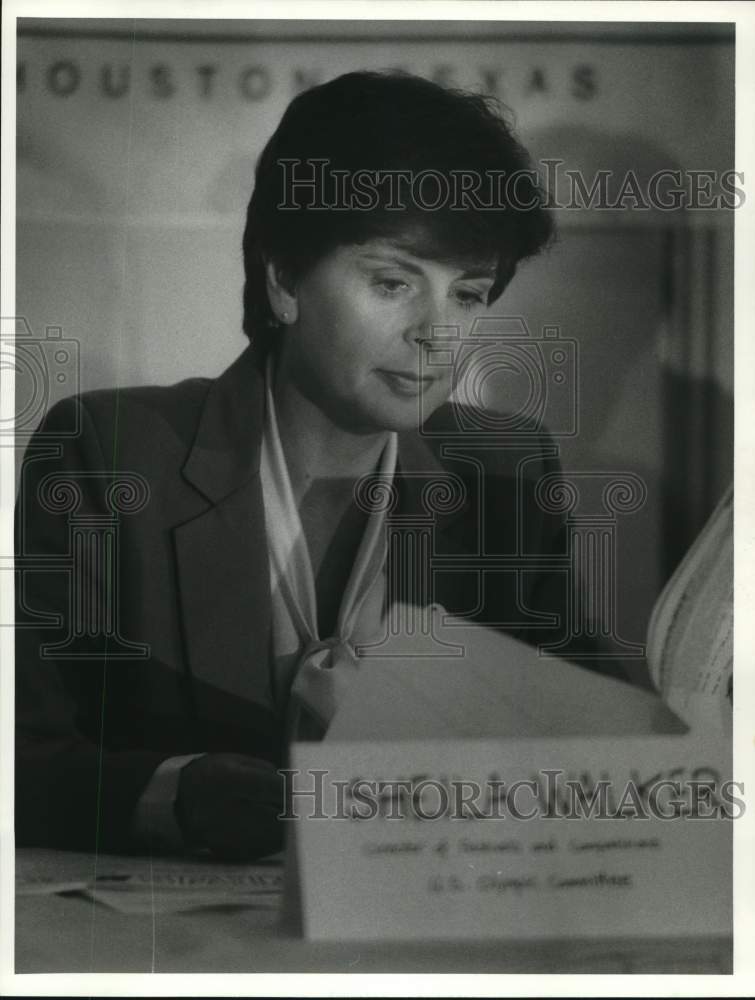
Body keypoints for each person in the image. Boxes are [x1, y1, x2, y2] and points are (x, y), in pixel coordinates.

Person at [16, 71, 602, 860]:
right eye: (393, 282)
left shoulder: (507, 470)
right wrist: (179, 794)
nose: (437, 333)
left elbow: (588, 749)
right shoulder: (109, 452)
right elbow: (22, 763)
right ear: (284, 279)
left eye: (467, 294)